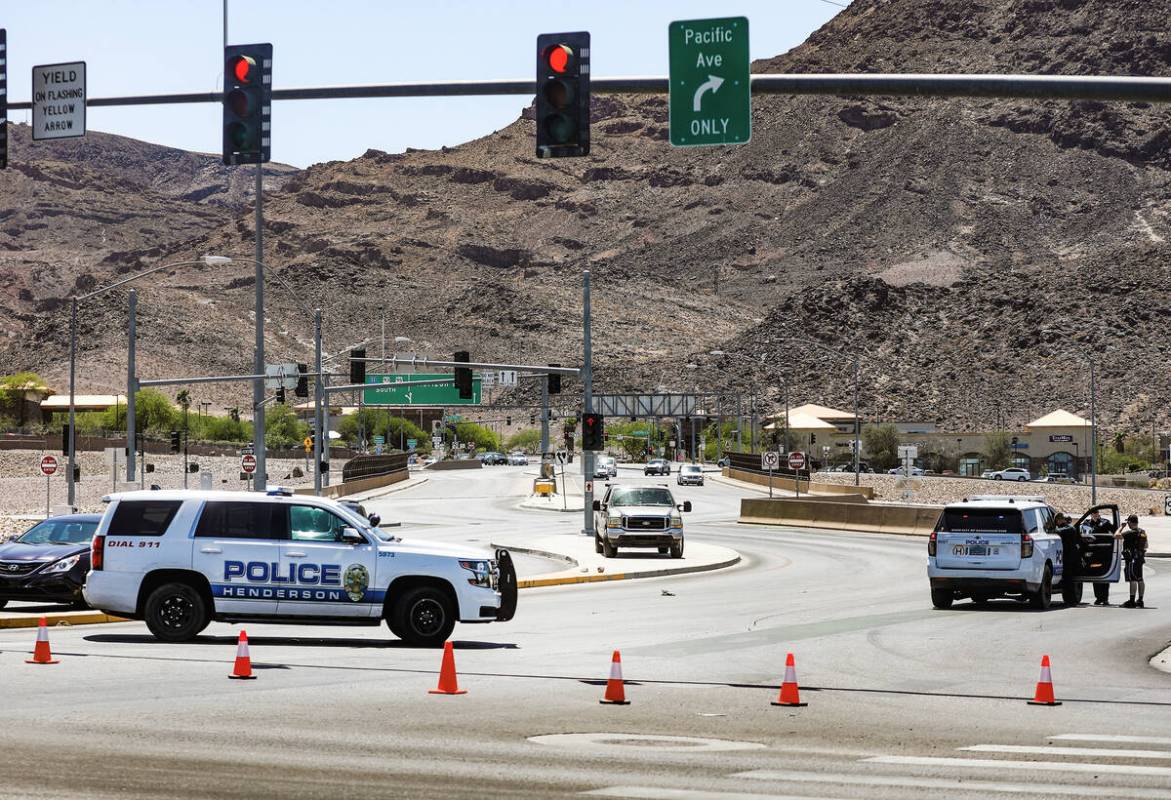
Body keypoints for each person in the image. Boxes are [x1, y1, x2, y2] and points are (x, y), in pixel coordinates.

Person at [1083, 509, 1117, 605]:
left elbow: (1115, 531)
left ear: (1099, 513)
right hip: (1093, 553)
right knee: (1095, 576)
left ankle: (1105, 598)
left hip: (1104, 552)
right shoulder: (1086, 523)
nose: (1095, 514)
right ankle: (1098, 597)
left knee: (1104, 575)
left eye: (1096, 512)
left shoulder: (1105, 523)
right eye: (1093, 513)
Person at [1115, 514, 1148, 608]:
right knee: (1140, 579)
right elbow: (1146, 546)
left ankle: (1132, 601)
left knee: (1132, 580)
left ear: (1130, 522)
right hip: (1140, 558)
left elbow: (1116, 535)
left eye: (1128, 522)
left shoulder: (1130, 533)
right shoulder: (1142, 532)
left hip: (1131, 559)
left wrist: (1121, 527)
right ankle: (1140, 600)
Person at [1053, 513, 1084, 595]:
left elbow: (1058, 531)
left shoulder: (1070, 528)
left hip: (1070, 558)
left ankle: (1070, 599)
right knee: (1067, 578)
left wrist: (1051, 529)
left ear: (1061, 520)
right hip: (1065, 557)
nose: (1057, 523)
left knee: (1069, 578)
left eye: (1057, 521)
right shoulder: (1063, 527)